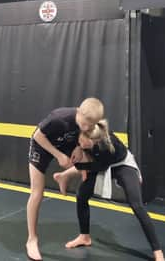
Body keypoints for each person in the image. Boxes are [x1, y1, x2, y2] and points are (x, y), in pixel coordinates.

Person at [53, 121, 165, 261]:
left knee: (137, 205)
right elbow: (82, 151)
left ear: (94, 141)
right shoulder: (83, 134)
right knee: (81, 195)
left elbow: (96, 167)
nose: (81, 144)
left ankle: (157, 250)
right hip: (98, 161)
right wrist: (78, 148)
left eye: (84, 143)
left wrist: (74, 165)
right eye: (80, 140)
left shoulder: (106, 147)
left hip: (121, 164)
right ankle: (84, 236)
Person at [26, 98, 105, 261]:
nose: (86, 128)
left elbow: (82, 135)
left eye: (90, 126)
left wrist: (77, 147)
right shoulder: (59, 118)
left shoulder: (88, 122)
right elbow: (37, 136)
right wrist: (59, 156)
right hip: (43, 145)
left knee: (88, 161)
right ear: (79, 113)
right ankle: (32, 240)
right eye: (84, 124)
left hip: (65, 142)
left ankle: (64, 178)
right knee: (37, 193)